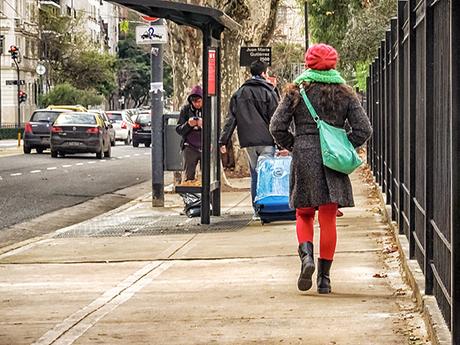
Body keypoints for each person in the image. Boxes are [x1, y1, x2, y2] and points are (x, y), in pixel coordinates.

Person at [269, 43, 372, 294]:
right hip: (332, 160)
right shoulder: (345, 93)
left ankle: (307, 258)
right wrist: (344, 145)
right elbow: (364, 129)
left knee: (304, 214)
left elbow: (276, 127)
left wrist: (294, 145)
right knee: (328, 219)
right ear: (334, 64)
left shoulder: (296, 91)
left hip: (304, 156)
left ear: (308, 63)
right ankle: (324, 280)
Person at [219, 60, 281, 218]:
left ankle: (257, 210)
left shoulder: (239, 93)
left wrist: (223, 140)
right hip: (267, 141)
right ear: (263, 73)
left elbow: (230, 120)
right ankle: (269, 207)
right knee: (267, 174)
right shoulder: (269, 92)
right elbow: (276, 118)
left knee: (255, 175)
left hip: (248, 142)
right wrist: (281, 143)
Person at [176, 85, 203, 183]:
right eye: (194, 102)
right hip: (190, 146)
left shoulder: (208, 109)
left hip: (205, 145)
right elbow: (179, 129)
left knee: (206, 176)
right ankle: (191, 196)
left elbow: (215, 127)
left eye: (199, 101)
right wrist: (188, 124)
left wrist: (203, 125)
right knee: (189, 176)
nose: (197, 104)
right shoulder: (186, 110)